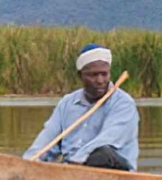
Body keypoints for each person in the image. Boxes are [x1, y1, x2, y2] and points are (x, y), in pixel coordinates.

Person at [23, 43, 139, 171]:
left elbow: (107, 139)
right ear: (80, 76)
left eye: (104, 74)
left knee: (102, 154)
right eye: (93, 75)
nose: (100, 80)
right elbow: (47, 139)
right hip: (71, 171)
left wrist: (74, 165)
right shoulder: (67, 104)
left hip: (111, 169)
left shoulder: (123, 103)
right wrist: (27, 164)